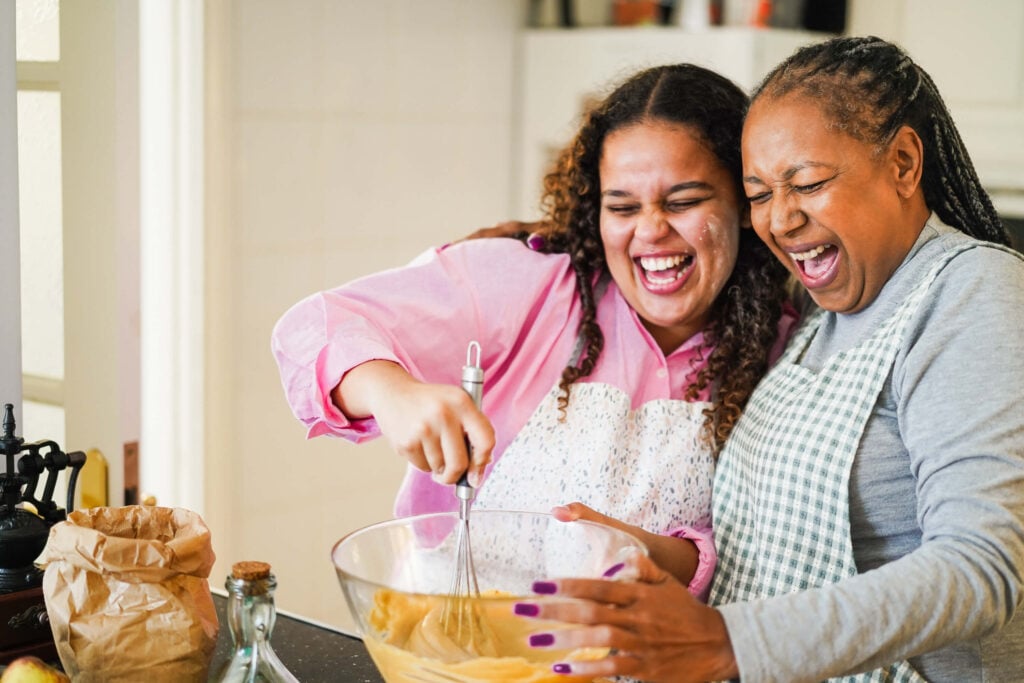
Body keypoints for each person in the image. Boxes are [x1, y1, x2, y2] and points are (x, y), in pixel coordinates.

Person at [513, 35, 1024, 682]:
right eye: (758, 193)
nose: (779, 219)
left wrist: (730, 639)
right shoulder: (819, 316)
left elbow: (981, 568)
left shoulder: (971, 290)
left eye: (806, 183)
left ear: (902, 162)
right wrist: (547, 242)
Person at [271, 63, 793, 598]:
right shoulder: (525, 285)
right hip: (455, 649)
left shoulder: (785, 348)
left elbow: (750, 547)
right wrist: (391, 392)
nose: (651, 230)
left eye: (683, 201)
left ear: (745, 204)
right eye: (622, 206)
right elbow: (312, 326)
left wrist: (638, 553)